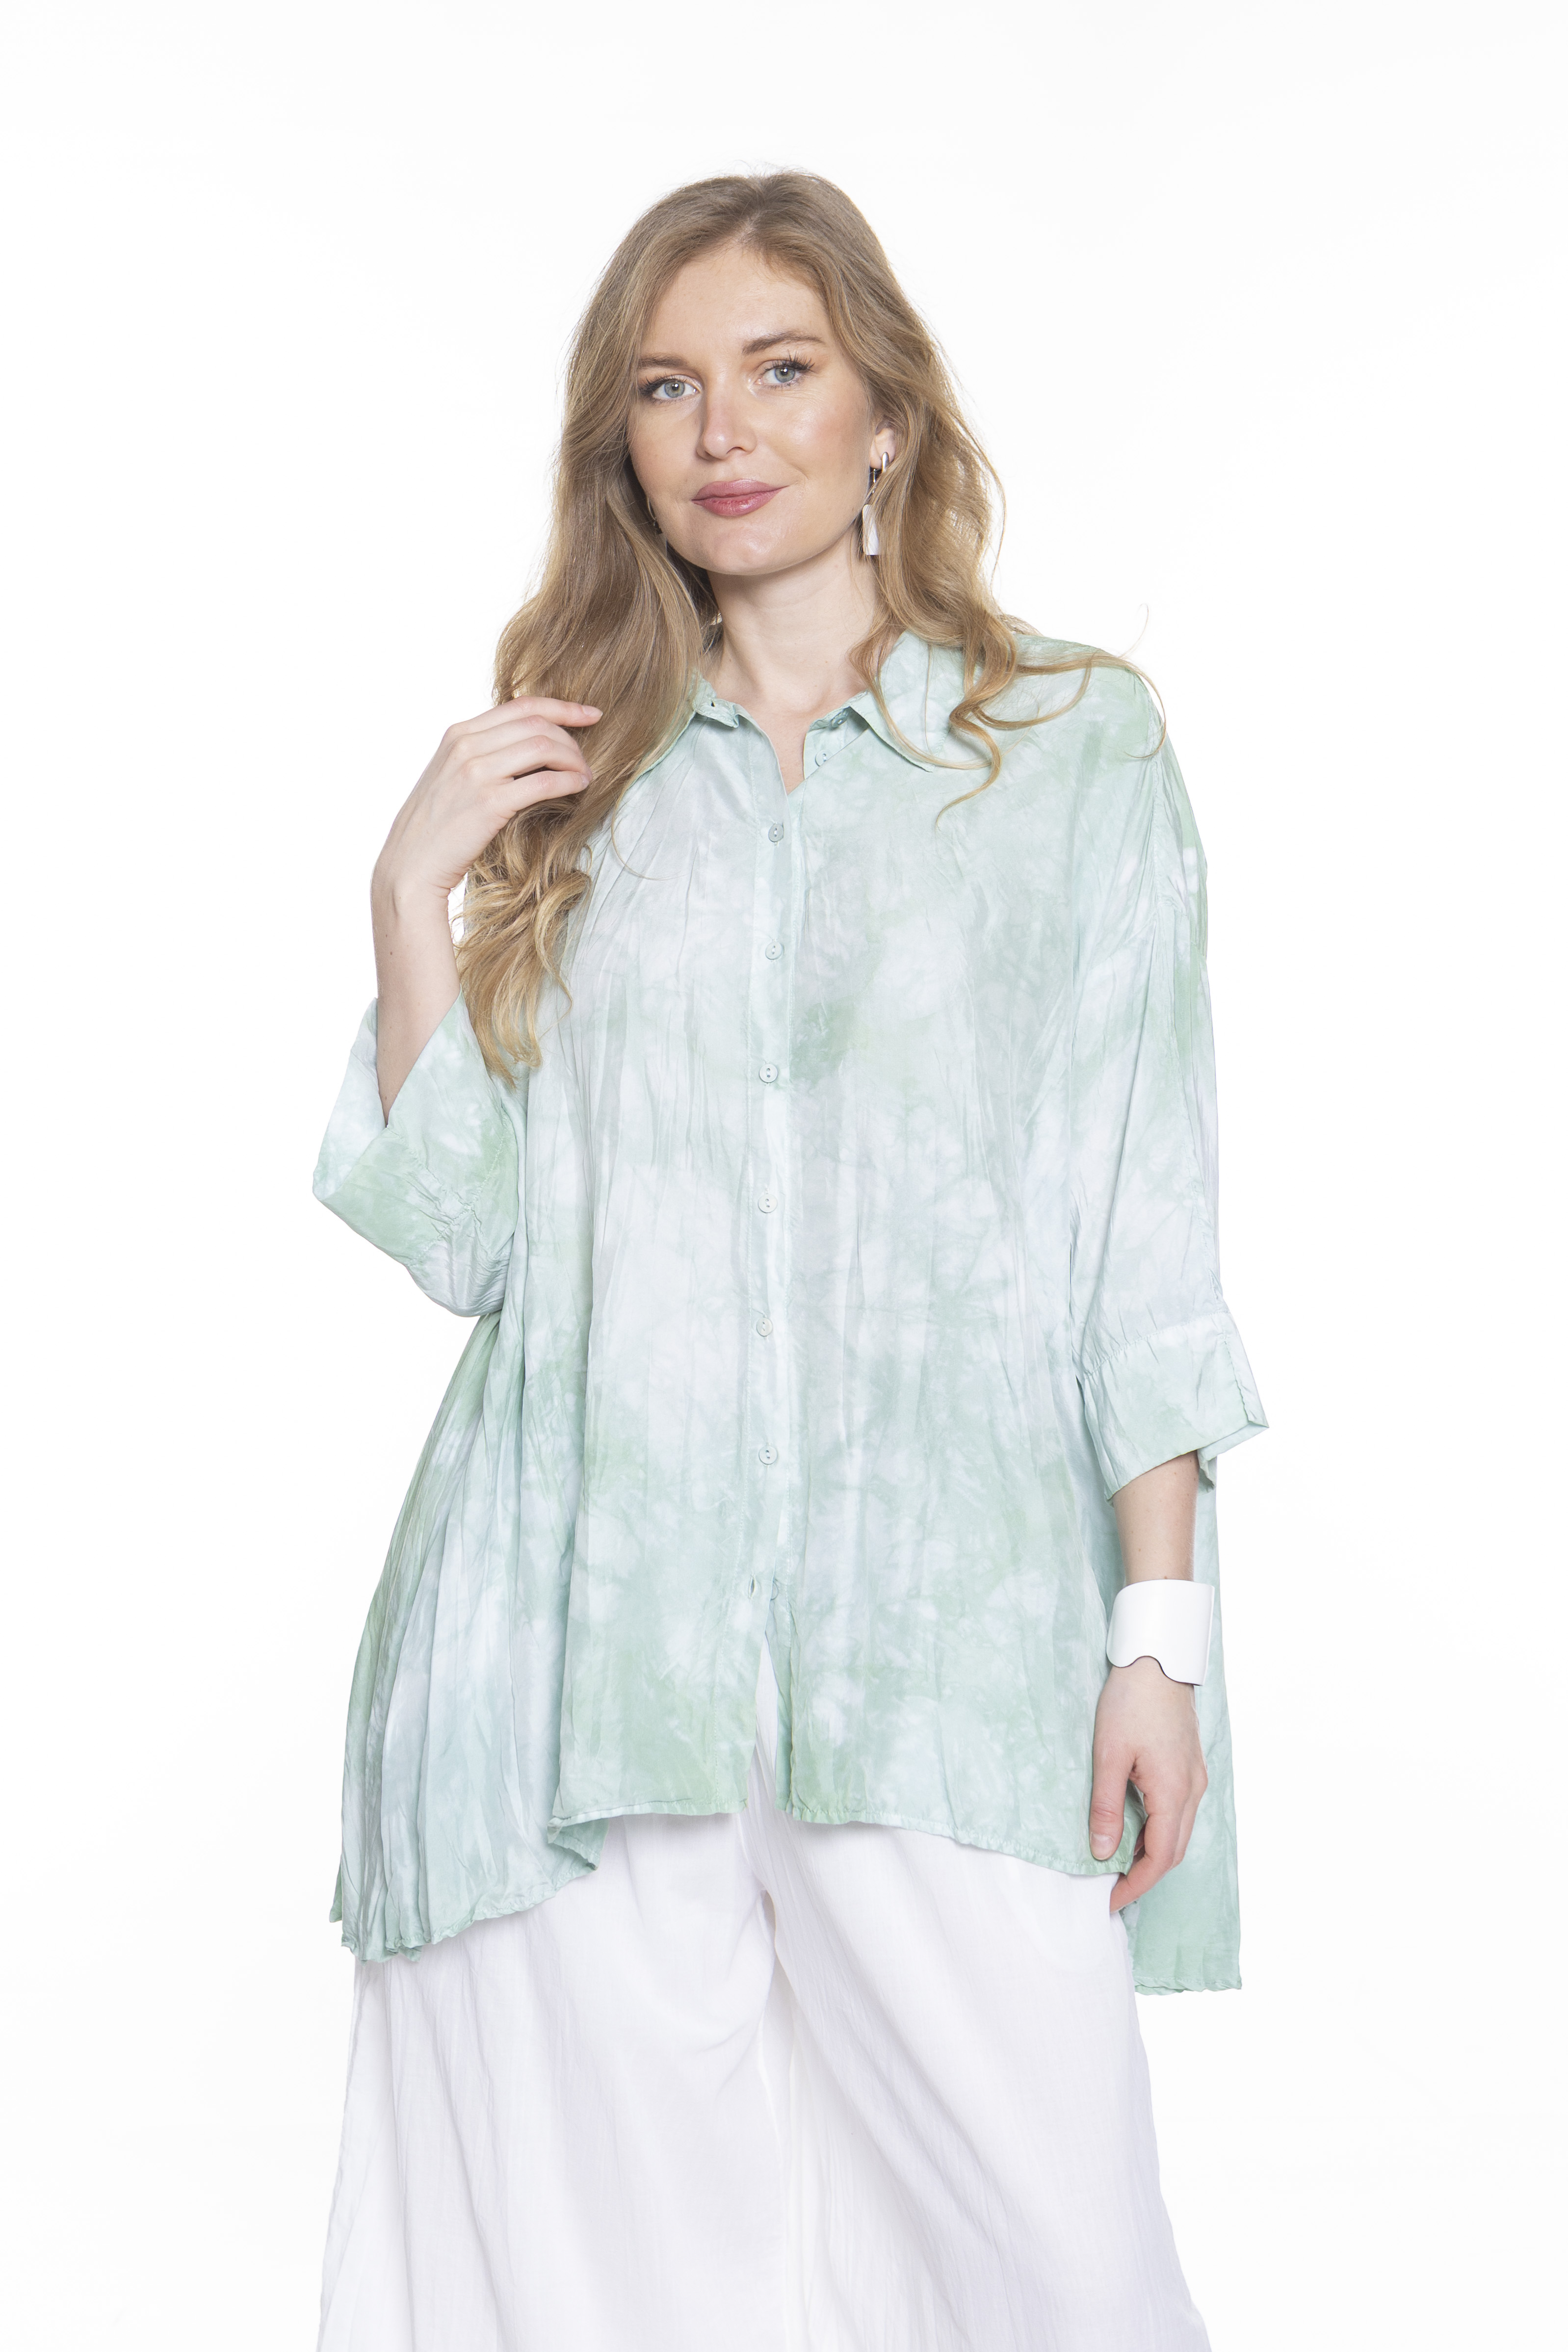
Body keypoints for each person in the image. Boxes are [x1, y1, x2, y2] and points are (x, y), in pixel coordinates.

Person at [311, 170, 1266, 2352]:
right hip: (568, 1672)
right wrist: (408, 900)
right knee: (620, 2301)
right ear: (621, 445)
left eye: (778, 368)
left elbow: (1140, 1226)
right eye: (667, 388)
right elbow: (465, 1240)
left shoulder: (1069, 751)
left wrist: (1158, 1635)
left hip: (939, 1653)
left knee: (1061, 2266)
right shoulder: (578, 780)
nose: (723, 429)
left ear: (886, 417)